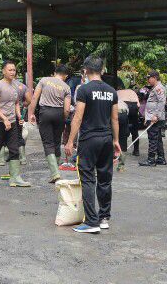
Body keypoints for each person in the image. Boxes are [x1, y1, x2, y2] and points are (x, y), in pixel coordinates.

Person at [64, 55, 121, 233]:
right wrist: (116, 140)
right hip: (106, 139)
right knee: (105, 178)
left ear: (85, 70)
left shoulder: (84, 90)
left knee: (88, 178)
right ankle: (104, 218)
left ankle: (91, 222)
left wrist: (70, 141)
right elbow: (115, 118)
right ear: (102, 70)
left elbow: (78, 117)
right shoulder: (111, 91)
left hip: (89, 140)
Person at [0, 61, 30, 187]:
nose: (12, 72)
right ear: (3, 71)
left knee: (14, 149)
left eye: (14, 70)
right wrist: (4, 119)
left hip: (13, 122)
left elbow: (16, 103)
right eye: (10, 70)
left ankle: (15, 178)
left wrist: (19, 116)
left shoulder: (16, 86)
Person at [28, 64, 71, 182]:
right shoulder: (66, 87)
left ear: (54, 72)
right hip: (59, 114)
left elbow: (34, 98)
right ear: (66, 75)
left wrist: (31, 113)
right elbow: (67, 109)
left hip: (45, 112)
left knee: (48, 143)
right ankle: (55, 170)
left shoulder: (44, 80)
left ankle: (55, 173)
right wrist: (64, 118)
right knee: (57, 142)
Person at [0, 75, 32, 165]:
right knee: (19, 135)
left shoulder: (2, 85)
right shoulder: (23, 86)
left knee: (1, 135)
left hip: (4, 113)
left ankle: (1, 160)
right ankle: (22, 158)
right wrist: (22, 105)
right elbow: (29, 100)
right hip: (17, 113)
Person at [139, 71, 167, 166]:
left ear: (155, 77)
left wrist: (156, 115)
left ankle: (151, 160)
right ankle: (160, 158)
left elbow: (161, 102)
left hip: (155, 118)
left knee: (153, 138)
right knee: (158, 138)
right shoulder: (155, 88)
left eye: (149, 78)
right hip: (154, 117)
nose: (148, 80)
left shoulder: (159, 88)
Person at [117, 86, 141, 156]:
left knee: (122, 129)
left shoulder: (117, 92)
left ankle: (123, 149)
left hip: (124, 106)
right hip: (134, 106)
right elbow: (138, 104)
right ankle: (136, 150)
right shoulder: (132, 92)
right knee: (135, 131)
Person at [116, 99, 129, 172]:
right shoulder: (121, 100)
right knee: (123, 140)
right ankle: (121, 167)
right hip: (124, 114)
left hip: (115, 114)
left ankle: (106, 165)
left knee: (108, 137)